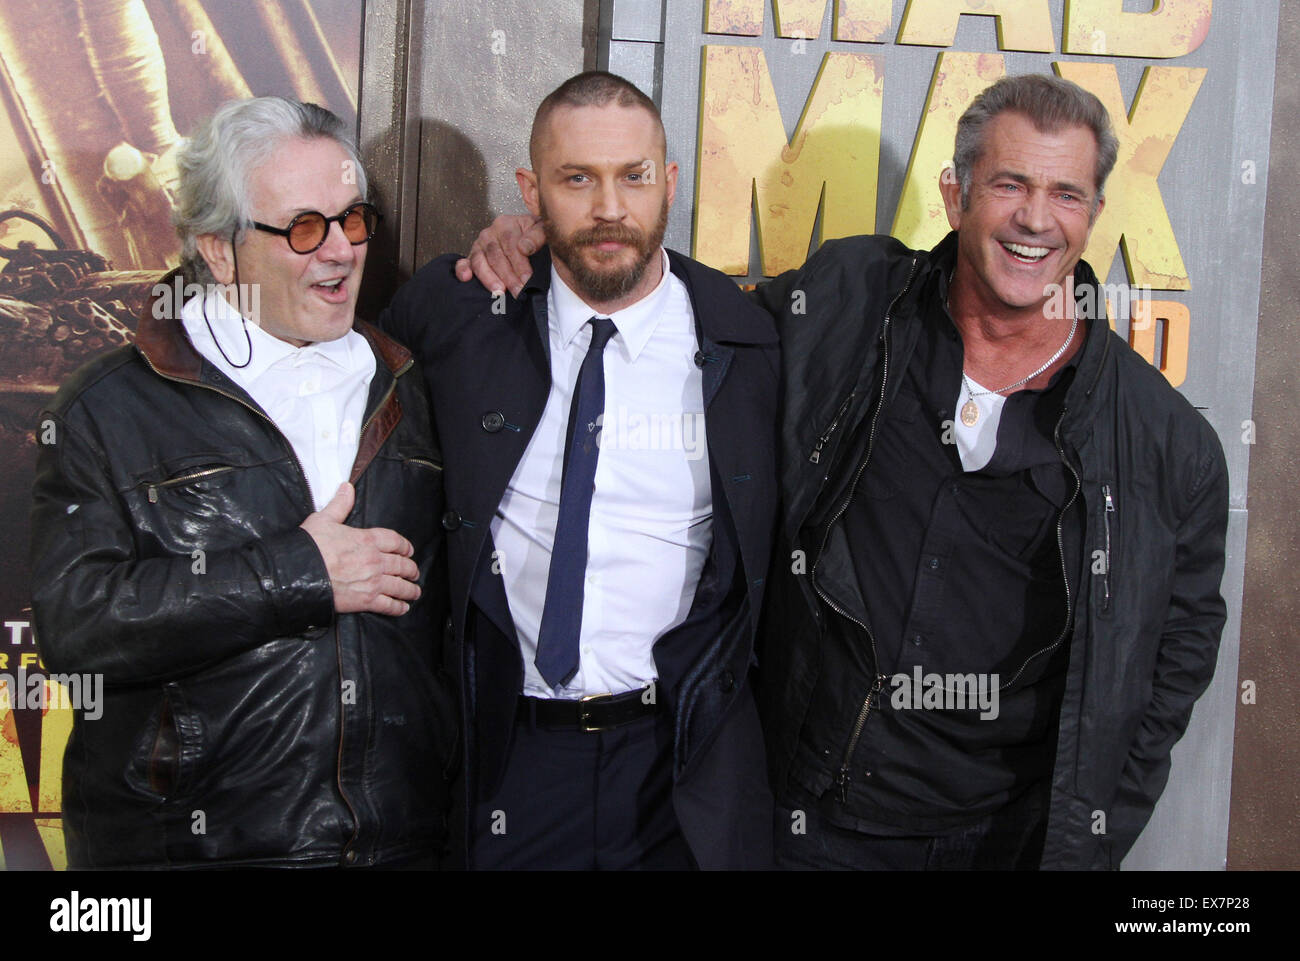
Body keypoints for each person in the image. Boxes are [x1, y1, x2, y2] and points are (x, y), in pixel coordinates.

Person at [459, 74, 1230, 870]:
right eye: (1010, 185)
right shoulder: (847, 306)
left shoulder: (1164, 443)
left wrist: (1089, 832)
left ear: (1096, 213)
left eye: (1067, 193)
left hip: (1002, 840)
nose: (1036, 219)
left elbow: (1175, 656)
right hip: (808, 824)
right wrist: (552, 237)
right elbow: (678, 305)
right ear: (956, 194)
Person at [30, 96, 457, 868]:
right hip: (193, 851)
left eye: (352, 219)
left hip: (397, 847)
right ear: (219, 251)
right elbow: (76, 627)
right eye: (302, 229)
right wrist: (298, 572)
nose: (340, 252)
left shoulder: (407, 385)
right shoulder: (109, 407)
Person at [381, 71, 778, 870]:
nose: (607, 208)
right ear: (531, 191)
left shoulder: (751, 339)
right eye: (576, 179)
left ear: (668, 183)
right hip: (508, 760)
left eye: (633, 176)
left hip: (682, 765)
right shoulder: (457, 313)